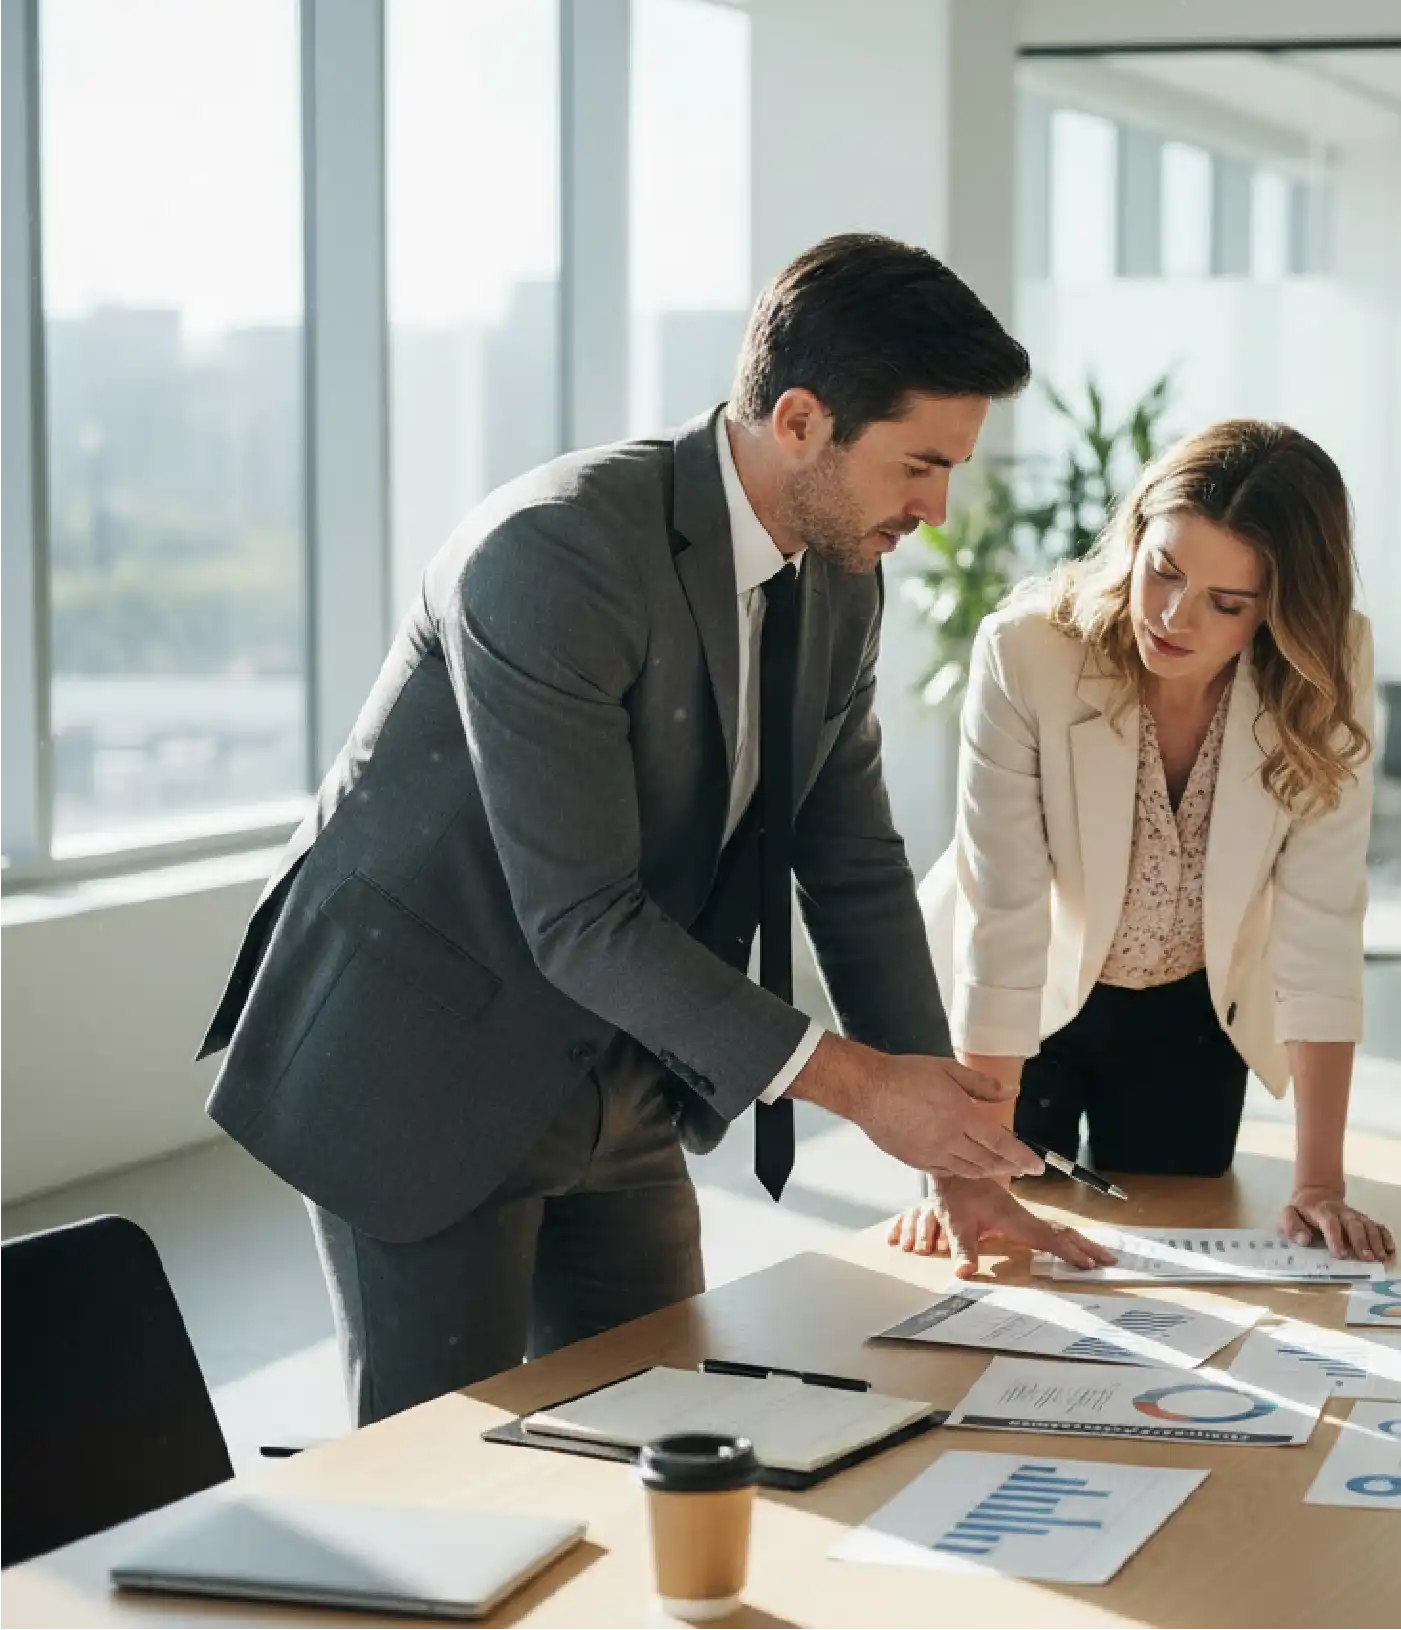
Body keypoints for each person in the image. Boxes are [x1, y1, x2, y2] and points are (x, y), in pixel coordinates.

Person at [199, 234, 1045, 1424]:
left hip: (625, 1060)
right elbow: (582, 914)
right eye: (918, 465)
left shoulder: (843, 575)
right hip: (425, 1059)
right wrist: (859, 1087)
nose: (937, 511)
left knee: (662, 1430)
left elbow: (849, 859)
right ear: (800, 420)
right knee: (451, 1475)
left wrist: (946, 1153)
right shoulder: (557, 549)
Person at [889, 419, 1394, 1278]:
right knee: (1013, 1242)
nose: (1170, 615)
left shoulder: (1325, 666)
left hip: (1194, 1009)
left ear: (1282, 607)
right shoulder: (1027, 652)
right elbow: (1004, 911)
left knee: (1173, 1230)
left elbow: (1321, 923)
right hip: (1024, 1001)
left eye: (1225, 604)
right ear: (1136, 539)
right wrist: (966, 1164)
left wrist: (1321, 1181)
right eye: (1162, 570)